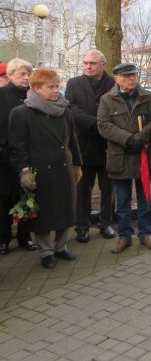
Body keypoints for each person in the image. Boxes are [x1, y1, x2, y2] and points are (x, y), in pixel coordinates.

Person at [8, 68, 82, 268]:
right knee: (44, 215)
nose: (56, 90)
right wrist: (24, 172)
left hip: (64, 169)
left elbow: (72, 141)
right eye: (51, 87)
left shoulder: (65, 111)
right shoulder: (21, 113)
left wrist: (77, 165)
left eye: (57, 86)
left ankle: (61, 247)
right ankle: (46, 252)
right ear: (36, 88)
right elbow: (17, 147)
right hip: (40, 171)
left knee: (66, 210)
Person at [97, 63, 151, 254]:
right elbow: (104, 125)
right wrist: (128, 139)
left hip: (143, 156)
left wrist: (141, 138)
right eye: (125, 76)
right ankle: (124, 236)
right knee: (122, 202)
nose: (131, 79)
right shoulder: (107, 99)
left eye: (133, 75)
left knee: (145, 198)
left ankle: (145, 233)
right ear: (116, 79)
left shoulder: (148, 97)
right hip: (120, 157)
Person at [64, 49, 116, 242]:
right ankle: (82, 227)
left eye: (92, 63)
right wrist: (96, 124)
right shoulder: (74, 83)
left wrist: (105, 127)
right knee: (82, 190)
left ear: (103, 64)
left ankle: (106, 223)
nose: (88, 66)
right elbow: (70, 108)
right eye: (85, 63)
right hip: (83, 146)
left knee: (108, 190)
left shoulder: (114, 84)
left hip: (108, 146)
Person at [0, 58, 37, 255]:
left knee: (27, 196)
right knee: (4, 198)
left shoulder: (33, 96)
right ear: (10, 75)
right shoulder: (1, 95)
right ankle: (3, 238)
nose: (26, 77)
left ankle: (25, 236)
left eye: (28, 74)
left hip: (29, 155)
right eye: (21, 74)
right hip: (5, 157)